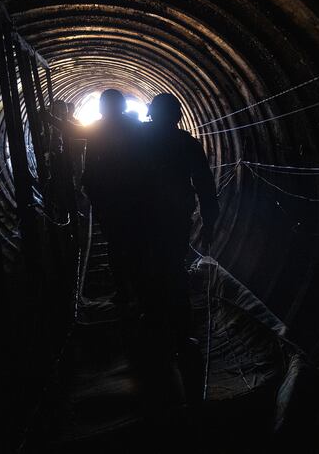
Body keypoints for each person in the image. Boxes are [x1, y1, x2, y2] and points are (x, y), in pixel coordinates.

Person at [136, 92, 219, 410]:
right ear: (178, 115)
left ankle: (153, 323)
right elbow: (204, 183)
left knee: (149, 267)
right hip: (173, 217)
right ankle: (180, 331)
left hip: (142, 218)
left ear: (153, 114)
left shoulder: (138, 139)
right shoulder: (187, 143)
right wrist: (210, 221)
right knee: (172, 267)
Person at [44, 89, 144, 307]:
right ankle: (141, 291)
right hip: (133, 195)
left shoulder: (101, 126)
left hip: (108, 195)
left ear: (103, 107)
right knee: (136, 242)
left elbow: (72, 130)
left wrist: (49, 118)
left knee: (116, 244)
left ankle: (124, 293)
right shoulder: (136, 126)